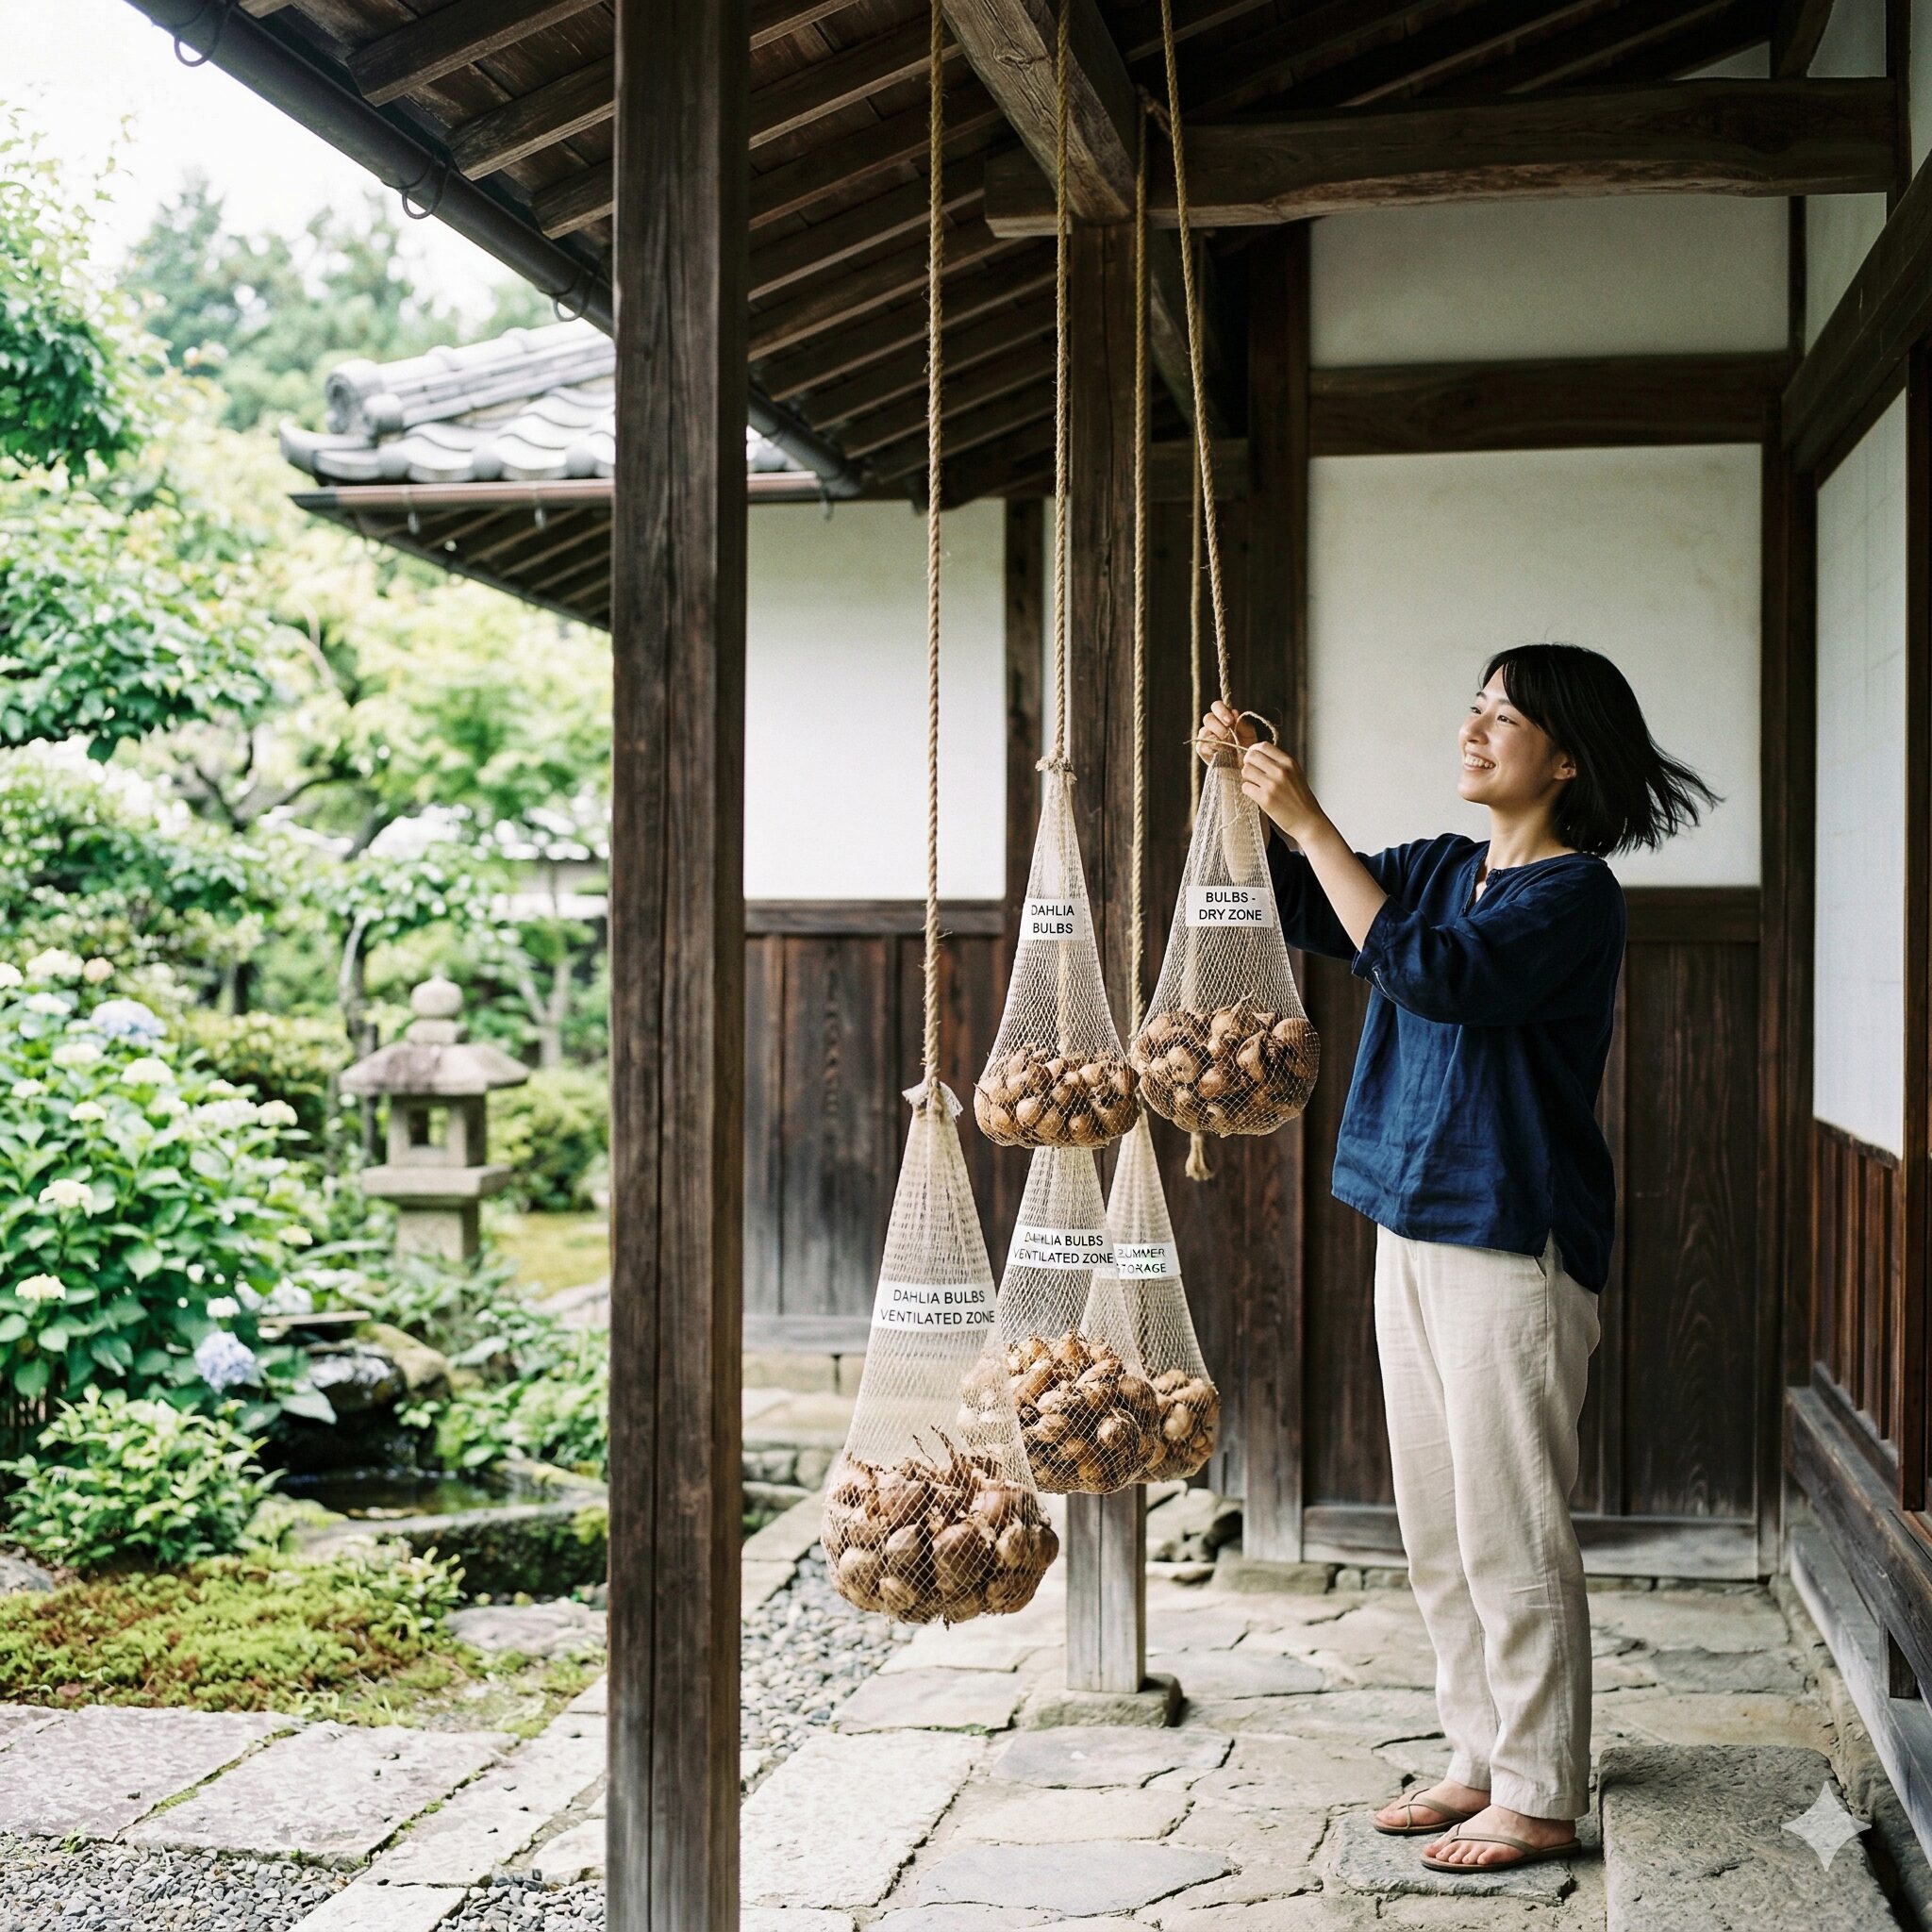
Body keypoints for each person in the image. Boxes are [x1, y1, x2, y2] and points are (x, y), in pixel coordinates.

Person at [1200, 643, 1715, 1875]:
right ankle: (1479, 1757)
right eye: (1473, 709)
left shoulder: (1575, 893)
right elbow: (1304, 902)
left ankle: (1542, 1789)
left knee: (1509, 1525)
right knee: (1436, 1524)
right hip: (1409, 1221)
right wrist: (1235, 786)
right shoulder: (1441, 868)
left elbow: (1434, 977)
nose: (1475, 731)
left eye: (1505, 717)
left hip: (1512, 1240)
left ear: (1568, 756)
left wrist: (1309, 813)